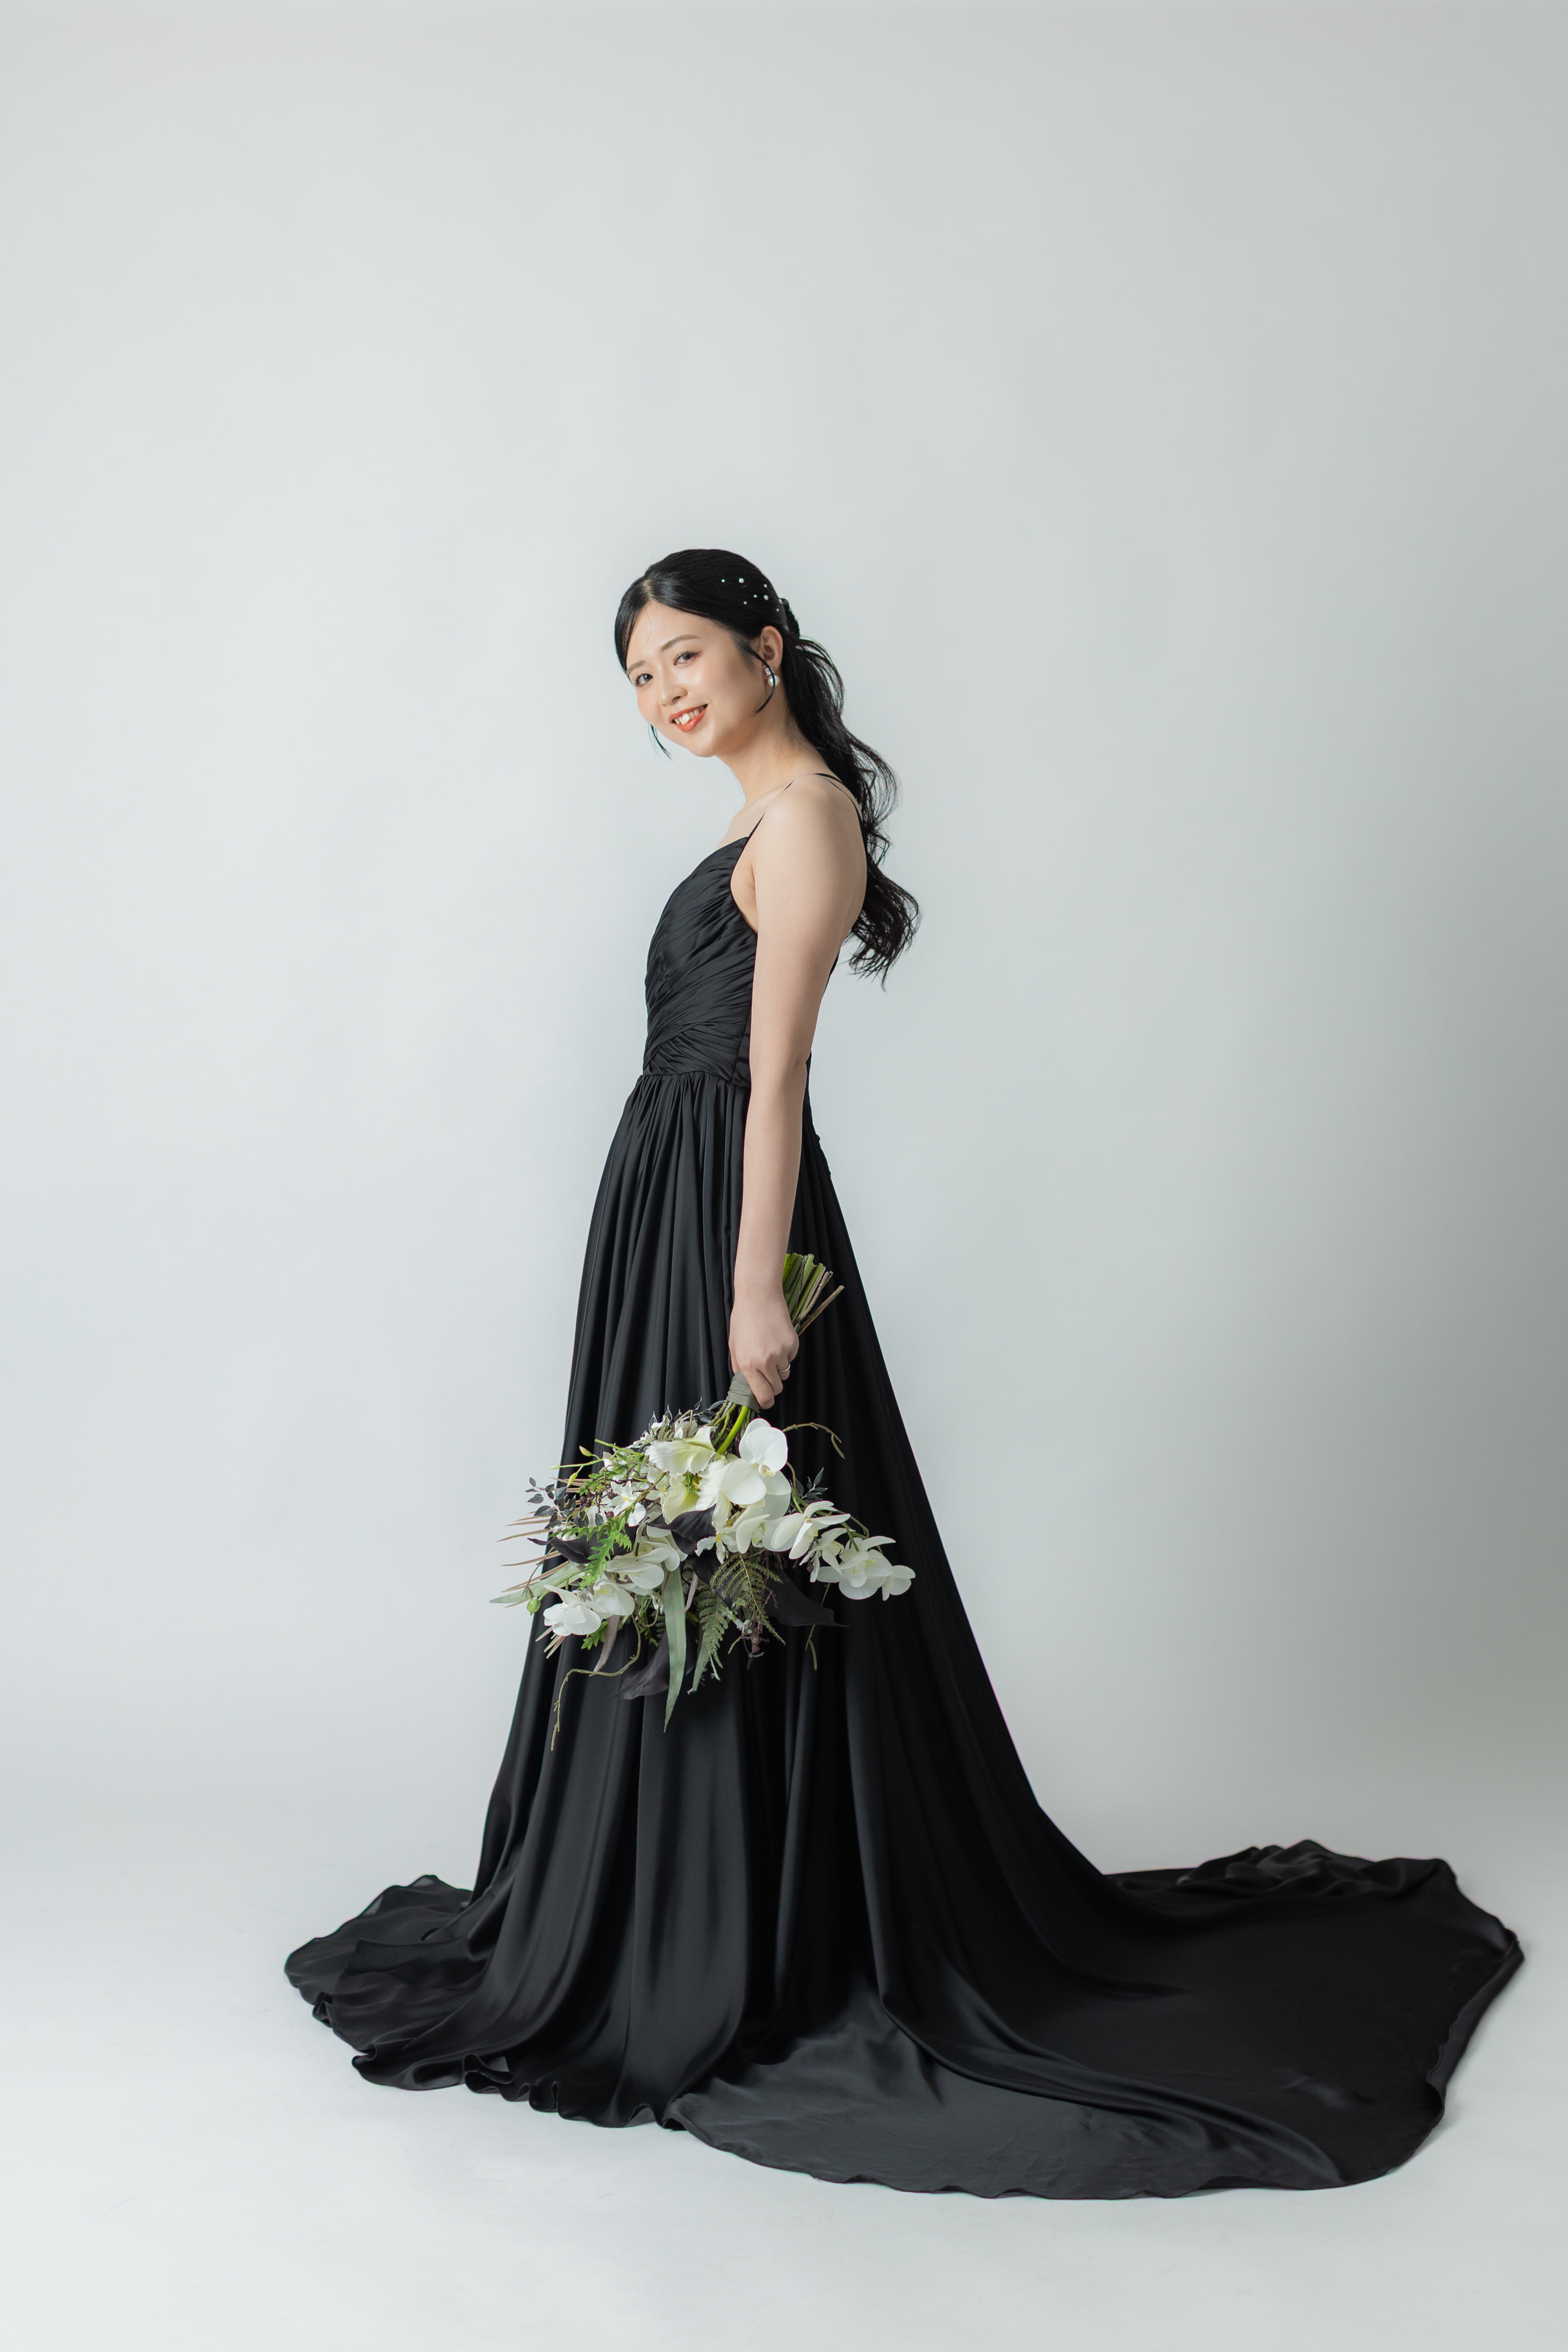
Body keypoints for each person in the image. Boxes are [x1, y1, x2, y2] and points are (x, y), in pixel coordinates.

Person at [287, 548, 1519, 2197]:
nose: (663, 692)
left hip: (728, 1212)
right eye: (639, 674)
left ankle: (738, 1926)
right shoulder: (756, 819)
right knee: (683, 1545)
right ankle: (673, 1896)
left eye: (683, 655)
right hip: (672, 1194)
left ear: (764, 646)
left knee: (731, 1544)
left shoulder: (804, 820)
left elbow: (778, 1067)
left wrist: (750, 1287)